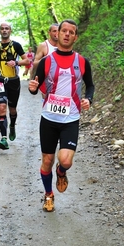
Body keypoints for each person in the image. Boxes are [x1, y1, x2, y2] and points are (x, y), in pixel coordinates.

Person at [28, 19, 95, 212]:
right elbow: (36, 86)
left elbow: (90, 85)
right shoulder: (47, 61)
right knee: (47, 160)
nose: (66, 34)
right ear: (57, 34)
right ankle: (48, 195)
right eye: (63, 30)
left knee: (65, 160)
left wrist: (89, 99)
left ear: (75, 36)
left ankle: (61, 171)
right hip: (49, 119)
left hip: (71, 119)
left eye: (70, 32)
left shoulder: (82, 62)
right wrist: (33, 88)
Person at [0, 22, 30, 149]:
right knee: (2, 107)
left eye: (6, 28)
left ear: (10, 31)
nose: (4, 30)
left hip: (13, 81)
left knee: (12, 109)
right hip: (0, 80)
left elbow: (27, 60)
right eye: (2, 28)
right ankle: (3, 138)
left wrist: (16, 62)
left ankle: (12, 125)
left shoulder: (16, 45)